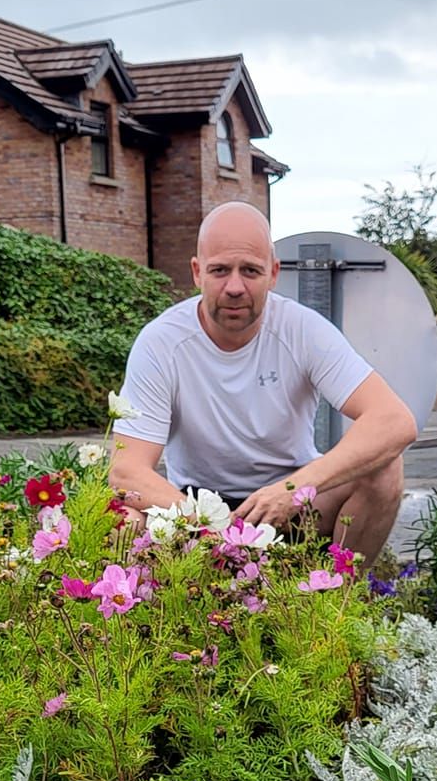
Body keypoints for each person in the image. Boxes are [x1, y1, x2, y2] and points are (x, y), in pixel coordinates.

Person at [108, 202, 418, 562]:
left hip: (294, 503)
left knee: (383, 469)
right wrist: (212, 526)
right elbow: (127, 470)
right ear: (197, 273)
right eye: (220, 270)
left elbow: (394, 421)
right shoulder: (161, 342)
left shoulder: (303, 329)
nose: (235, 287)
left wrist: (293, 489)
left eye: (250, 271)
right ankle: (161, 613)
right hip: (196, 508)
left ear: (273, 273)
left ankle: (340, 604)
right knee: (123, 521)